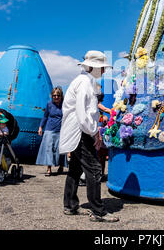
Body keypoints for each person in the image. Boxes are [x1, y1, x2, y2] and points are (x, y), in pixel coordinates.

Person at [59, 50, 119, 222]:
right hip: (81, 131)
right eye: (102, 68)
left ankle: (70, 205)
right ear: (93, 67)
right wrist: (94, 133)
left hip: (76, 130)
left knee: (76, 169)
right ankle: (98, 211)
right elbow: (83, 113)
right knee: (94, 169)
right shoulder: (85, 83)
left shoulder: (83, 81)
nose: (104, 71)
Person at [36, 87, 68, 176]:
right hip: (49, 129)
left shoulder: (65, 105)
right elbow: (45, 116)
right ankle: (49, 169)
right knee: (48, 149)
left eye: (58, 95)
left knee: (60, 149)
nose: (56, 97)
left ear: (61, 96)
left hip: (61, 130)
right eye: (54, 95)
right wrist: (40, 127)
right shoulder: (49, 104)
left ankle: (61, 166)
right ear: (52, 96)